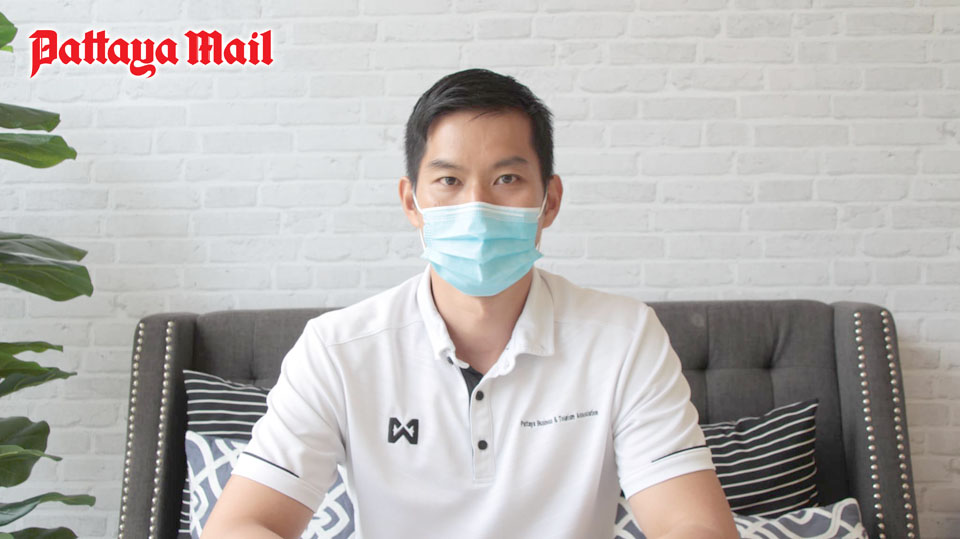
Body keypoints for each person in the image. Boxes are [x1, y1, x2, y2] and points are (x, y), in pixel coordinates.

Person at [201, 68, 738, 539]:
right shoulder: (338, 350)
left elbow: (694, 524)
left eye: (507, 179)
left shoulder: (624, 338)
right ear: (412, 202)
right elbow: (241, 524)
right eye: (449, 181)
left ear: (549, 201)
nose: (477, 207)